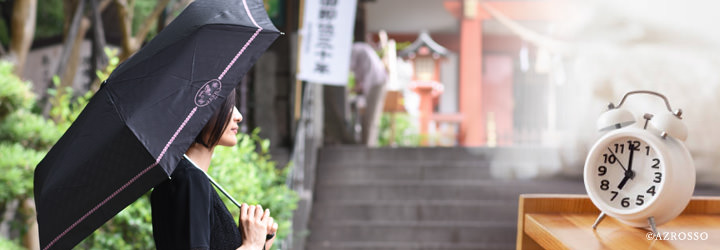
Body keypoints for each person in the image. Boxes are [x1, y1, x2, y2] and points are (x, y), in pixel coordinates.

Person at [151, 90, 278, 250]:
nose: (238, 116)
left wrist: (261, 243)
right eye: (229, 106)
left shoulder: (183, 178)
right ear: (202, 112)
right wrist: (251, 245)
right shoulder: (190, 180)